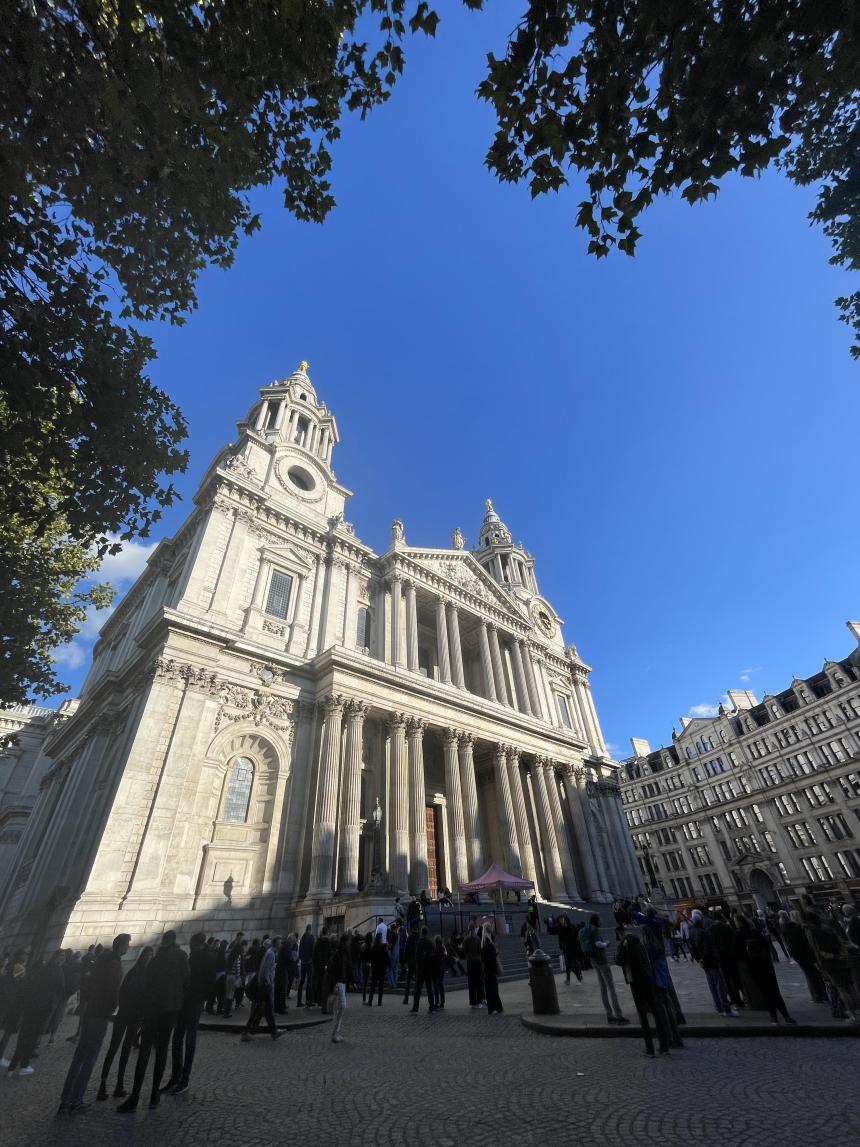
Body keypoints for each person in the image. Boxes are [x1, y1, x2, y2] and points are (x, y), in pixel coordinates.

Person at [117, 931, 189, 1113]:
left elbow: (147, 982)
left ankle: (135, 1096)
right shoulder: (182, 956)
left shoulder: (157, 958)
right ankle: (154, 1095)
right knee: (162, 1051)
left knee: (145, 1051)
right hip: (171, 1010)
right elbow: (186, 981)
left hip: (153, 1009)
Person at [57, 935, 130, 1111]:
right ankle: (76, 1099)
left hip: (90, 1012)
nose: (128, 947)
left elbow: (88, 984)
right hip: (101, 1014)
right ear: (121, 946)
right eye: (127, 944)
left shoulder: (99, 962)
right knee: (89, 1058)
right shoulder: (114, 964)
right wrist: (113, 1007)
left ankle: (66, 1098)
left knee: (79, 1056)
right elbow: (113, 991)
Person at [97, 945, 153, 1100]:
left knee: (126, 1050)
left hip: (135, 1017)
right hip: (124, 1015)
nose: (148, 958)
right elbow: (122, 992)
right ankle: (103, 1084)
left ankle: (119, 1085)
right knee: (113, 1048)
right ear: (141, 957)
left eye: (150, 955)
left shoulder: (146, 975)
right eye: (146, 955)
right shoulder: (134, 973)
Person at [163, 931, 215, 1093]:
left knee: (187, 1040)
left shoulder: (204, 958)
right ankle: (176, 1077)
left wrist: (201, 998)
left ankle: (183, 1079)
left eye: (193, 945)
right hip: (187, 1001)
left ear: (198, 944)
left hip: (193, 1002)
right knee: (179, 1039)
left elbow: (209, 980)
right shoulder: (197, 956)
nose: (191, 947)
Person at [616, 927, 668, 1056]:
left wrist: (620, 949)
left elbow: (618, 960)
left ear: (619, 934)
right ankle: (664, 1046)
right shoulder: (639, 941)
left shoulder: (624, 944)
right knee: (655, 1011)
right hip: (648, 978)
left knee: (642, 1015)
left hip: (635, 981)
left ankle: (649, 1049)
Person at [735, 917, 796, 1024]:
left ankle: (774, 1017)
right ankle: (786, 1016)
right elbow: (767, 947)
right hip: (766, 965)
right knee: (775, 991)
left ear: (739, 923)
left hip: (753, 966)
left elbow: (737, 953)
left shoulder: (738, 935)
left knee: (765, 992)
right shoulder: (755, 933)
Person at [580, 914, 629, 1025]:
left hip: (593, 961)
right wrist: (606, 943)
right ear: (596, 921)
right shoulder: (595, 930)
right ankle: (619, 1015)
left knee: (603, 988)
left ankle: (609, 1015)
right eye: (600, 919)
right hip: (601, 960)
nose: (601, 921)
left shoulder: (587, 929)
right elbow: (598, 944)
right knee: (611, 988)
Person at [689, 909, 735, 1017]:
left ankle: (719, 1008)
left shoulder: (692, 931)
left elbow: (692, 948)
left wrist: (699, 959)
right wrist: (704, 958)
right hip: (712, 961)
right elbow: (708, 948)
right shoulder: (704, 932)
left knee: (712, 986)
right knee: (720, 985)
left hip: (704, 963)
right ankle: (726, 1009)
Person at [779, 911, 827, 1003]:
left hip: (800, 955)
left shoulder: (787, 930)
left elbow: (790, 945)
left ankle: (817, 996)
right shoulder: (800, 927)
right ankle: (822, 994)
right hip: (808, 953)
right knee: (815, 974)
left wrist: (792, 955)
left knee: (810, 975)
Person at [241, 938, 281, 1041]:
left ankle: (251, 1031)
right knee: (263, 1008)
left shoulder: (269, 952)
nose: (281, 945)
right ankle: (249, 1032)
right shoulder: (271, 954)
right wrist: (267, 983)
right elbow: (265, 970)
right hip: (265, 985)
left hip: (263, 984)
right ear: (277, 944)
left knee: (263, 1009)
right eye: (280, 943)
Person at [329, 934, 350, 1043]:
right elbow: (334, 968)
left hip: (341, 981)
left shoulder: (343, 953)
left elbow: (346, 967)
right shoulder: (340, 953)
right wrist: (335, 982)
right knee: (342, 1006)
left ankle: (336, 1032)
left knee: (340, 1007)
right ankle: (335, 1033)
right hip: (339, 981)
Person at [411, 928, 437, 1013]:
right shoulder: (431, 942)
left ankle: (415, 1007)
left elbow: (417, 956)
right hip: (429, 969)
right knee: (430, 989)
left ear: (422, 933)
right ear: (427, 932)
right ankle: (432, 1007)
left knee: (418, 989)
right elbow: (434, 955)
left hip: (421, 969)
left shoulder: (420, 942)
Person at [481, 925, 503, 1015]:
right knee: (492, 988)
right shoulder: (487, 942)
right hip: (490, 969)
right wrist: (495, 953)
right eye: (490, 927)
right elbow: (488, 957)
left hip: (489, 969)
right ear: (488, 929)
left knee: (492, 988)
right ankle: (494, 1007)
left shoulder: (486, 941)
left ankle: (497, 1007)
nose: (492, 928)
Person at [556, 914, 583, 985]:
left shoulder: (571, 927)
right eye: (560, 920)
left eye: (562, 919)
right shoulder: (560, 928)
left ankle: (579, 977)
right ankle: (569, 979)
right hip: (566, 949)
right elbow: (560, 939)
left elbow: (576, 936)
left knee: (573, 964)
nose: (561, 921)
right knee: (568, 964)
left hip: (574, 948)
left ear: (565, 919)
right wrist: (561, 947)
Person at [462, 924, 484, 1008]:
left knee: (471, 983)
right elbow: (480, 950)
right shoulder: (477, 939)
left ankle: (473, 1002)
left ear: (468, 929)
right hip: (477, 961)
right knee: (479, 982)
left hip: (470, 961)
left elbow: (464, 950)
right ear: (474, 929)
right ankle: (479, 1001)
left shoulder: (466, 939)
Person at [312, 926, 332, 1012]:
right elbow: (329, 955)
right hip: (325, 966)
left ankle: (315, 999)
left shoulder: (318, 941)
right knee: (323, 984)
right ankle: (320, 1001)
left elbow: (314, 954)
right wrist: (327, 964)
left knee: (317, 983)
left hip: (317, 966)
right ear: (327, 933)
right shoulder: (328, 942)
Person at [366, 933, 389, 1007]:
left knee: (373, 985)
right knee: (380, 986)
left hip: (374, 969)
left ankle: (370, 1001)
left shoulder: (373, 948)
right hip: (381, 968)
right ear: (380, 939)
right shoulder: (383, 947)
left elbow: (370, 958)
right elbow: (386, 958)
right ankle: (379, 1001)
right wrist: (387, 965)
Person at [297, 924, 315, 1008]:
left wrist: (302, 958)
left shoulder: (303, 937)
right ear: (310, 929)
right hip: (309, 962)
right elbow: (312, 949)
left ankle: (299, 1001)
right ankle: (308, 1002)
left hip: (303, 962)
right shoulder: (311, 937)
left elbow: (300, 950)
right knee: (309, 982)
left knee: (302, 981)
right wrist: (311, 958)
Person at [401, 928, 419, 1004]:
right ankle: (416, 998)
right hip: (417, 962)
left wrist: (405, 961)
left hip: (411, 962)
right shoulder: (418, 938)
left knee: (408, 981)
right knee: (417, 981)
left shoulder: (409, 938)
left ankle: (406, 998)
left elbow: (406, 950)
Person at [433, 935, 447, 1010]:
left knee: (436, 986)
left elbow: (434, 959)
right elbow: (445, 958)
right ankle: (442, 1002)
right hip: (442, 969)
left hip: (436, 969)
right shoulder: (443, 948)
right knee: (441, 985)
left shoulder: (435, 949)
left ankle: (437, 1002)